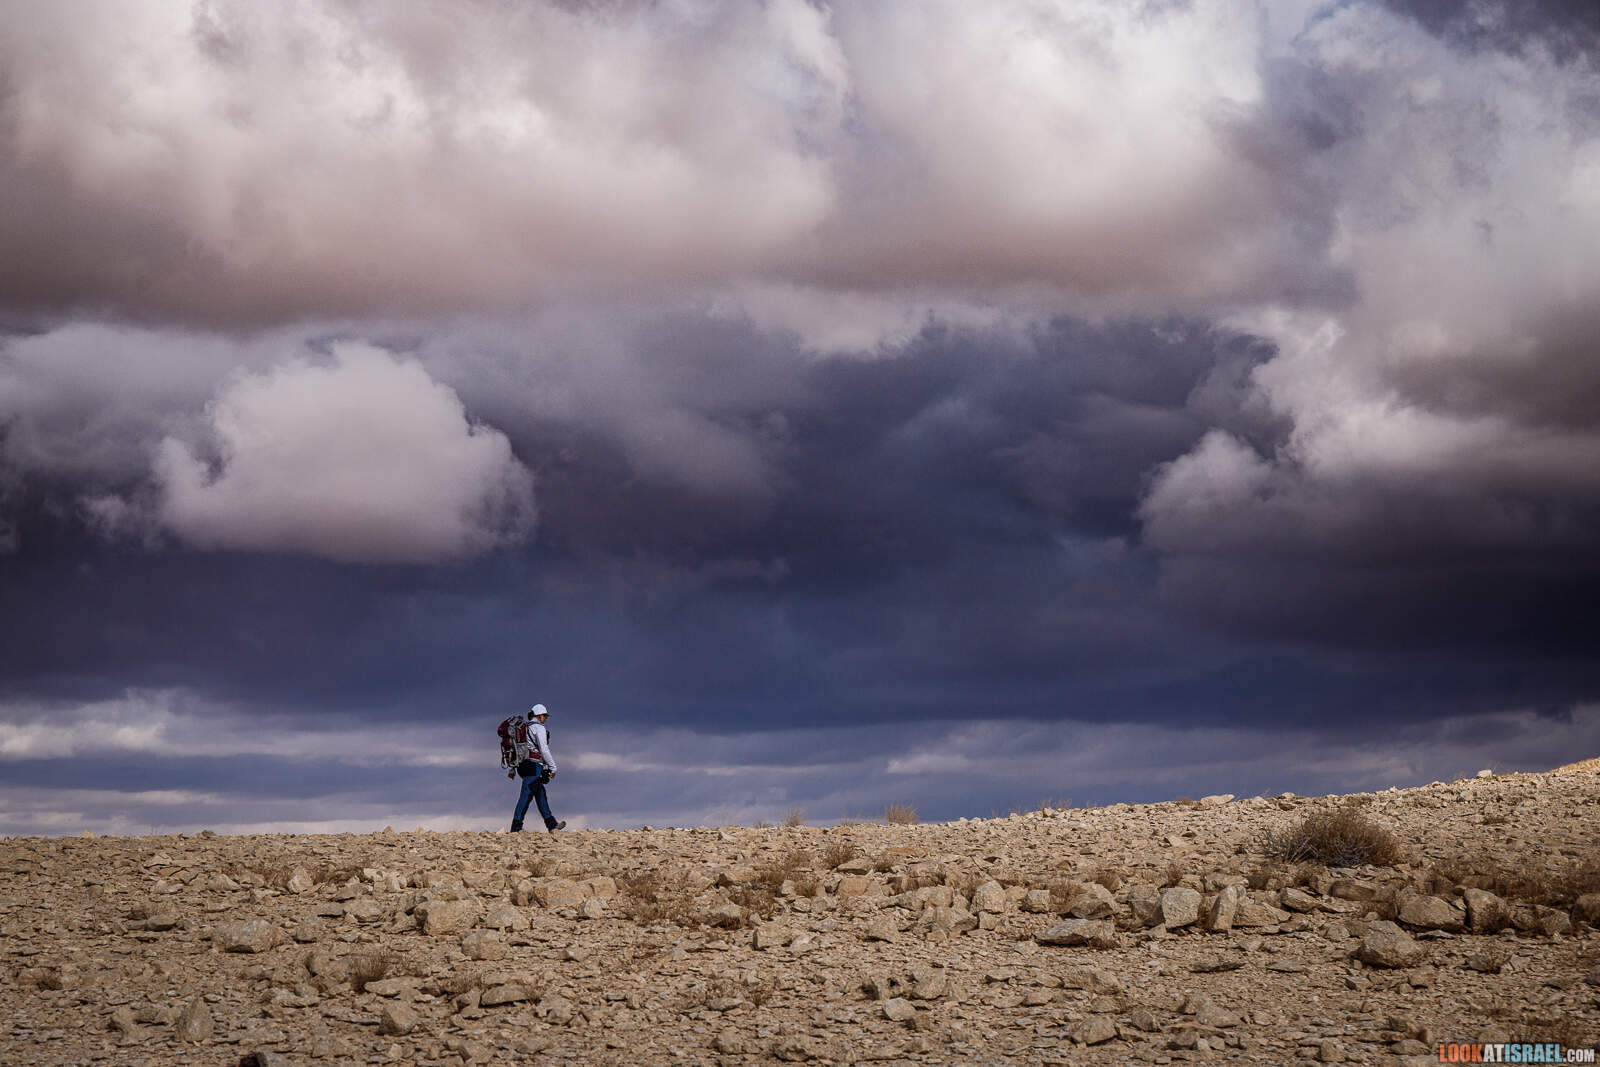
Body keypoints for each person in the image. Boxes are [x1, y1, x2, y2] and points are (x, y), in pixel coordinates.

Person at [511, 703, 565, 833]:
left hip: (522, 766)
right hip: (534, 765)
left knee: (540, 792)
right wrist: (553, 767)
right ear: (539, 716)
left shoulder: (523, 728)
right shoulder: (538, 728)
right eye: (545, 716)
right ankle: (515, 828)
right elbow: (544, 749)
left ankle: (551, 824)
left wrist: (512, 769)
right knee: (526, 795)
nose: (545, 718)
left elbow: (516, 749)